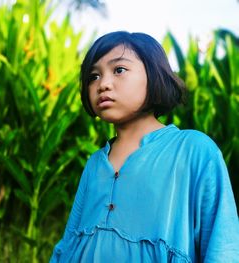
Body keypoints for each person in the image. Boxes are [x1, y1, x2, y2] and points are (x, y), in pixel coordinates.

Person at [50, 31, 239, 263]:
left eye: (119, 70)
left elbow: (222, 244)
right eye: (93, 76)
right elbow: (70, 243)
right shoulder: (94, 164)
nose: (103, 84)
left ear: (154, 74)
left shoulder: (194, 150)